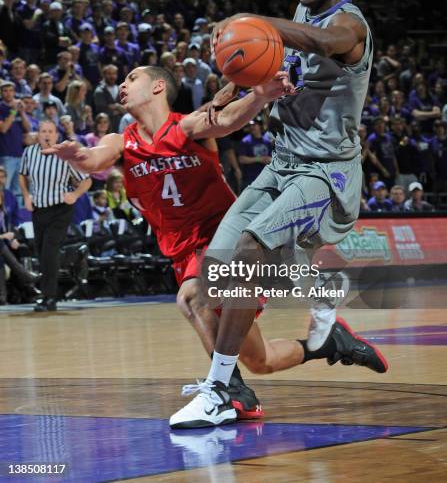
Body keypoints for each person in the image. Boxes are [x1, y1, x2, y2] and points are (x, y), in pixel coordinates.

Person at [46, 63, 386, 421]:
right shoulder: (123, 142)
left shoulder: (186, 126)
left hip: (226, 240)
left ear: (159, 86)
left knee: (192, 295)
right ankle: (330, 344)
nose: (123, 85)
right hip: (181, 253)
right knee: (260, 360)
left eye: (133, 78)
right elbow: (94, 157)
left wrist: (258, 94)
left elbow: (226, 121)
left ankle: (227, 392)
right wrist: (78, 157)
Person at [168, 0, 388, 428]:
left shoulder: (350, 26)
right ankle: (319, 329)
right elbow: (278, 62)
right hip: (282, 164)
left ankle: (221, 389)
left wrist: (253, 23)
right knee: (215, 274)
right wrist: (231, 87)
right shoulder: (299, 14)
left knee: (251, 246)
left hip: (324, 174)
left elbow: (318, 44)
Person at [19, 120, 91, 311]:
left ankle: (49, 298)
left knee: (49, 252)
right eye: (43, 131)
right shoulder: (30, 152)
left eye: (50, 131)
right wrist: (26, 196)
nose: (47, 134)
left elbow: (86, 181)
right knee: (41, 253)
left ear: (57, 135)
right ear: (38, 134)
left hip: (60, 210)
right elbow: (22, 174)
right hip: (39, 210)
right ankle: (50, 288)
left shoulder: (65, 155)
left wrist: (74, 195)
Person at [0, 82, 31, 194]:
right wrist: (13, 111)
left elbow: (28, 128)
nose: (8, 93)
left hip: (19, 154)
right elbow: (3, 128)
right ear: (1, 93)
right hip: (6, 155)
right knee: (5, 188)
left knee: (18, 191)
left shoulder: (18, 108)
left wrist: (22, 112)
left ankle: (16, 212)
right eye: (5, 91)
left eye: (10, 90)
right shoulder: (1, 107)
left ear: (14, 92)